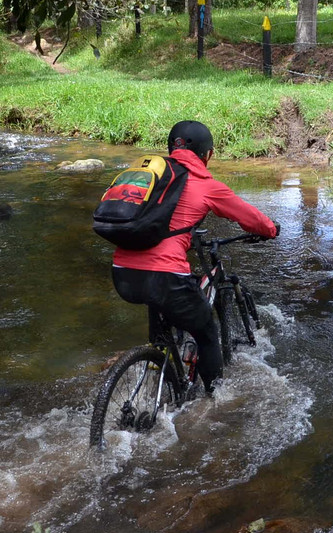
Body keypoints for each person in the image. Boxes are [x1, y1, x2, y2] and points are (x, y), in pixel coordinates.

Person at [111, 120, 278, 393]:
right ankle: (213, 399)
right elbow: (250, 217)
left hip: (122, 272)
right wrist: (271, 230)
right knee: (207, 333)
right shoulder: (205, 184)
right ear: (208, 154)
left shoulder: (155, 181)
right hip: (165, 276)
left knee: (160, 296)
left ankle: (159, 356)